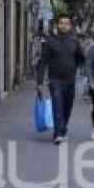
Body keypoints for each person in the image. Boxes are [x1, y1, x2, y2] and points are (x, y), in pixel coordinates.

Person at [36, 14, 85, 144]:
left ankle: (62, 130)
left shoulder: (75, 41)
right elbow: (42, 62)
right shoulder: (50, 41)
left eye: (66, 23)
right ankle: (58, 133)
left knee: (67, 108)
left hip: (70, 80)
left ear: (70, 26)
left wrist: (80, 67)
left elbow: (80, 58)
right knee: (57, 105)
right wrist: (40, 82)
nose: (64, 25)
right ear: (57, 25)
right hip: (55, 80)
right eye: (61, 23)